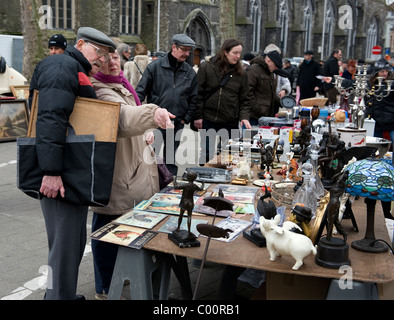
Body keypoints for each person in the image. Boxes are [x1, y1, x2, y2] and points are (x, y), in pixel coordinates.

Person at [28, 27, 117, 300]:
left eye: (106, 55)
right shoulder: (61, 65)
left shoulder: (71, 67)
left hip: (70, 172)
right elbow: (51, 119)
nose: (102, 60)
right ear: (80, 43)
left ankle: (62, 294)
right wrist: (51, 171)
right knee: (64, 249)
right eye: (99, 53)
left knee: (71, 245)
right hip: (61, 173)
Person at [90, 50, 175, 300]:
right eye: (106, 58)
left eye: (115, 56)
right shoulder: (99, 89)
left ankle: (118, 277)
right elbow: (122, 118)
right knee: (107, 227)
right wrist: (152, 114)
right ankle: (105, 287)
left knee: (121, 225)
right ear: (95, 64)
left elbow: (130, 119)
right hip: (117, 171)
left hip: (132, 166)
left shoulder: (120, 85)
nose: (113, 62)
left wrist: (145, 130)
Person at [136, 34, 199, 175]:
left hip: (177, 122)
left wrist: (186, 118)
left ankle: (168, 187)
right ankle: (150, 184)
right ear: (174, 47)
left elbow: (194, 97)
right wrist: (138, 115)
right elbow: (140, 92)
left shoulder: (189, 72)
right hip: (155, 122)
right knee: (151, 157)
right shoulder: (155, 67)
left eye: (189, 50)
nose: (187, 54)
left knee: (170, 159)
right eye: (184, 49)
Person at [194, 39, 251, 164]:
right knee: (207, 153)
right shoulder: (207, 67)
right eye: (234, 53)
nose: (237, 56)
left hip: (230, 120)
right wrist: (198, 116)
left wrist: (244, 117)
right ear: (225, 52)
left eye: (239, 53)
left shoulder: (242, 74)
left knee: (229, 154)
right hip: (209, 118)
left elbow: (245, 99)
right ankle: (204, 179)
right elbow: (198, 94)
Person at [245, 49, 283, 125]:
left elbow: (270, 92)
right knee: (249, 136)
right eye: (275, 65)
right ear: (268, 60)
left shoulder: (270, 72)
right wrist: (257, 108)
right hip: (254, 117)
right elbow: (247, 92)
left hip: (266, 116)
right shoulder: (253, 69)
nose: (276, 68)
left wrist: (282, 102)